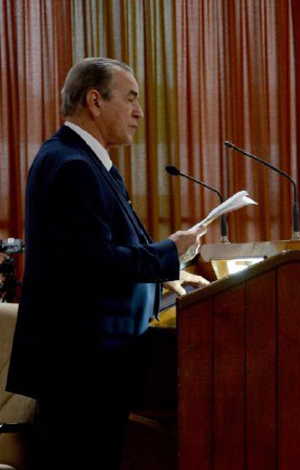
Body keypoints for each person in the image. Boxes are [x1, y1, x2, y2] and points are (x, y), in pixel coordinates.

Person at [6, 58, 209, 470]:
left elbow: (93, 251)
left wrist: (169, 273)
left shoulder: (82, 160)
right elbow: (93, 264)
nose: (139, 112)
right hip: (83, 370)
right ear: (95, 101)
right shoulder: (73, 166)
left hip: (90, 366)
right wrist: (170, 251)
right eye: (131, 98)